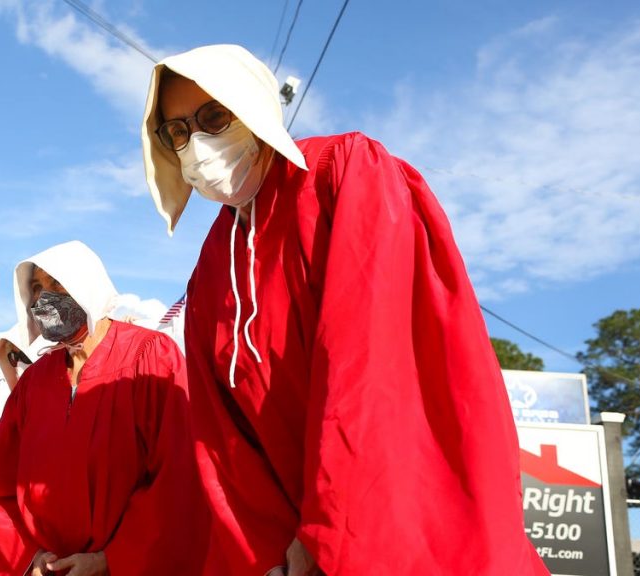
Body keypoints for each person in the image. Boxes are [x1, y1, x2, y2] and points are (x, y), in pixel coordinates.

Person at [140, 44, 549, 575]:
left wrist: (329, 527)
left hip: (395, 522)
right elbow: (221, 435)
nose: (196, 143)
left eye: (214, 117)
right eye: (177, 131)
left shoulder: (342, 174)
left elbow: (372, 360)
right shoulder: (212, 265)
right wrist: (270, 550)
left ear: (251, 107)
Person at [0, 240, 207, 576]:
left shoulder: (150, 357)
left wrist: (111, 559)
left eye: (56, 284)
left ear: (86, 284)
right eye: (36, 288)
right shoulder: (33, 384)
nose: (44, 298)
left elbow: (177, 475)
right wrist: (29, 556)